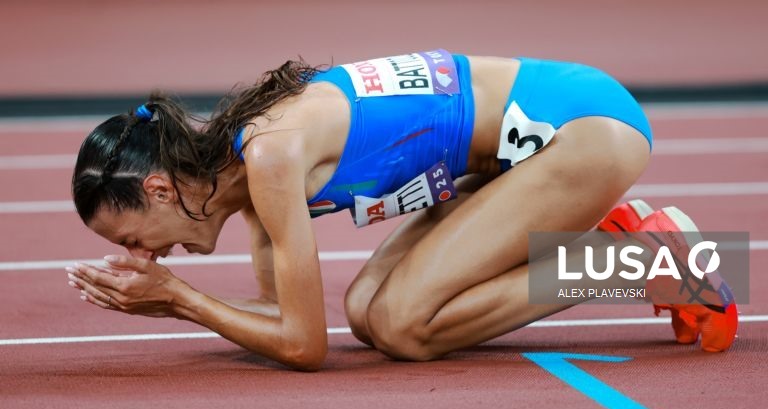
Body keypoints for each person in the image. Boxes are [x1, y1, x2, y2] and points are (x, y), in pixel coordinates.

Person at [66, 50, 737, 371]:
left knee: (401, 324)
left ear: (158, 190)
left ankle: (652, 264)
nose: (142, 256)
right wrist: (171, 297)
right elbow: (285, 319)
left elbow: (302, 346)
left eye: (133, 238)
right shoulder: (244, 180)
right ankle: (629, 248)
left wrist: (180, 299)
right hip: (514, 151)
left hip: (580, 127)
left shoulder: (270, 157)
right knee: (366, 311)